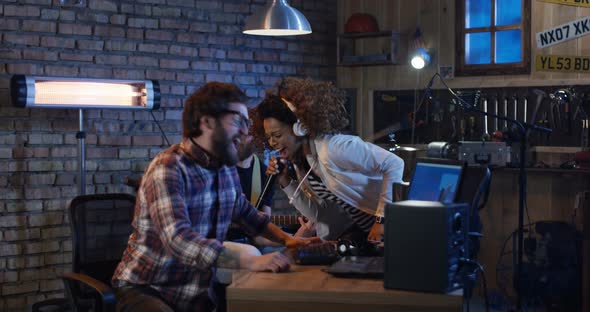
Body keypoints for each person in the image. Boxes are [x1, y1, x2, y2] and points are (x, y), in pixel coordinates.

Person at [112, 82, 319, 312]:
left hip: (195, 294)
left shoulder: (224, 165)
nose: (245, 131)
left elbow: (245, 213)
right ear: (207, 121)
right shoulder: (168, 167)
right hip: (148, 288)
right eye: (238, 121)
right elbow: (179, 240)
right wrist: (250, 260)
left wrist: (287, 240)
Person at [252, 77, 405, 243]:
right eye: (268, 137)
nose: (272, 142)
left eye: (277, 135)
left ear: (300, 127)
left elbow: (394, 163)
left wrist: (381, 219)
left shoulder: (334, 148)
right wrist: (285, 182)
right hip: (368, 233)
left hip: (395, 227)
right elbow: (318, 214)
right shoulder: (304, 162)